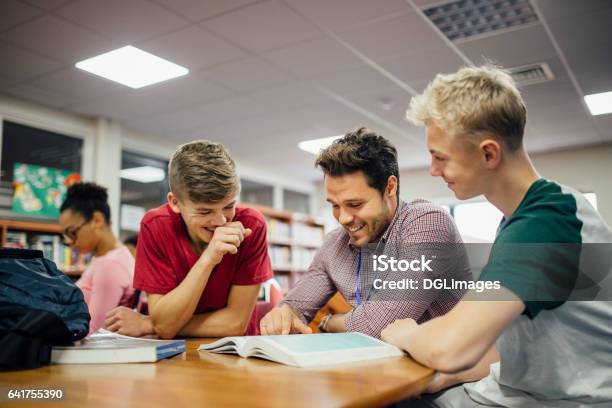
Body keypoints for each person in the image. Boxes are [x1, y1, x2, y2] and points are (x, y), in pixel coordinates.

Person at [381, 65, 612, 407]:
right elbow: (513, 347)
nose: (433, 170)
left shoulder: (546, 222)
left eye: (440, 157)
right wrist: (450, 375)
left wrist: (406, 333)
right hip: (518, 391)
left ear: (489, 153)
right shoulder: (523, 218)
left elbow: (450, 347)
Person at [260, 127, 472, 338]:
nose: (343, 219)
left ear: (389, 187)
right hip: (380, 365)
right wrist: (280, 317)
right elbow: (292, 308)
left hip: (448, 367)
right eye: (334, 205)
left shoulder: (428, 223)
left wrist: (327, 322)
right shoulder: (334, 244)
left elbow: (378, 326)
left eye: (354, 204)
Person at [105, 140, 273, 338]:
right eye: (205, 211)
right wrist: (209, 259)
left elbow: (234, 324)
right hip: (173, 354)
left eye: (228, 206)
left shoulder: (251, 225)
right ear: (175, 202)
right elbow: (165, 325)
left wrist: (151, 324)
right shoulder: (155, 226)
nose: (220, 221)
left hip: (235, 352)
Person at [59, 182, 135, 333]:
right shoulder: (106, 258)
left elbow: (93, 330)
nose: (70, 242)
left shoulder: (110, 264)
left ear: (97, 220)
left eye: (72, 232)